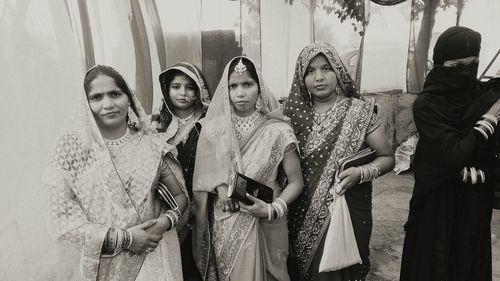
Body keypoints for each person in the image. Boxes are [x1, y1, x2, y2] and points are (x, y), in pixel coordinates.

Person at [44, 65, 188, 281]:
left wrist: (164, 223)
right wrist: (126, 238)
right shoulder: (72, 150)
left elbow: (179, 196)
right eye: (97, 97)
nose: (108, 104)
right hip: (104, 263)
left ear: (128, 97)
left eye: (114, 94)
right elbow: (61, 222)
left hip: (154, 257)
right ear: (86, 104)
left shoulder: (150, 144)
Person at [283, 42, 395, 281]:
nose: (319, 77)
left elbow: (388, 158)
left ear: (338, 71)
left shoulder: (360, 111)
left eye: (326, 68)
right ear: (301, 78)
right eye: (310, 71)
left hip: (344, 213)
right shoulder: (290, 115)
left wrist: (361, 173)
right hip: (297, 214)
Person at [400, 26, 500, 281]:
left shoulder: (485, 95)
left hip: (473, 203)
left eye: (474, 64)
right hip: (436, 202)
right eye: (457, 66)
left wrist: (481, 172)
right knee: (433, 264)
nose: (467, 73)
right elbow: (454, 155)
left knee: (468, 264)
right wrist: (488, 120)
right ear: (440, 64)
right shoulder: (427, 105)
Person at [192, 56, 304, 281]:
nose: (240, 93)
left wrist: (273, 210)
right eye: (233, 86)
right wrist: (221, 188)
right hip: (228, 219)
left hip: (269, 220)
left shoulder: (278, 129)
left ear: (259, 87)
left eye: (247, 84)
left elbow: (296, 182)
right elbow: (203, 176)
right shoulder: (214, 129)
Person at [153, 62, 211, 281]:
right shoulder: (156, 125)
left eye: (190, 87)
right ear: (167, 89)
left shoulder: (210, 122)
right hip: (169, 208)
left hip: (205, 206)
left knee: (199, 264)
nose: (183, 93)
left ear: (199, 91)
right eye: (176, 86)